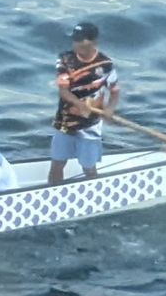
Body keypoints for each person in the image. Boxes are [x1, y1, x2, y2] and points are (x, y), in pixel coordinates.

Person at [49, 22, 122, 184]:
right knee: (57, 163)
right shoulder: (65, 59)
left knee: (89, 167)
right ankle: (52, 194)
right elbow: (63, 90)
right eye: (75, 39)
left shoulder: (106, 64)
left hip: (91, 124)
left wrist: (110, 109)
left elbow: (115, 91)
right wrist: (81, 105)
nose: (76, 44)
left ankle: (95, 195)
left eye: (81, 40)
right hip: (65, 120)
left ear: (93, 42)